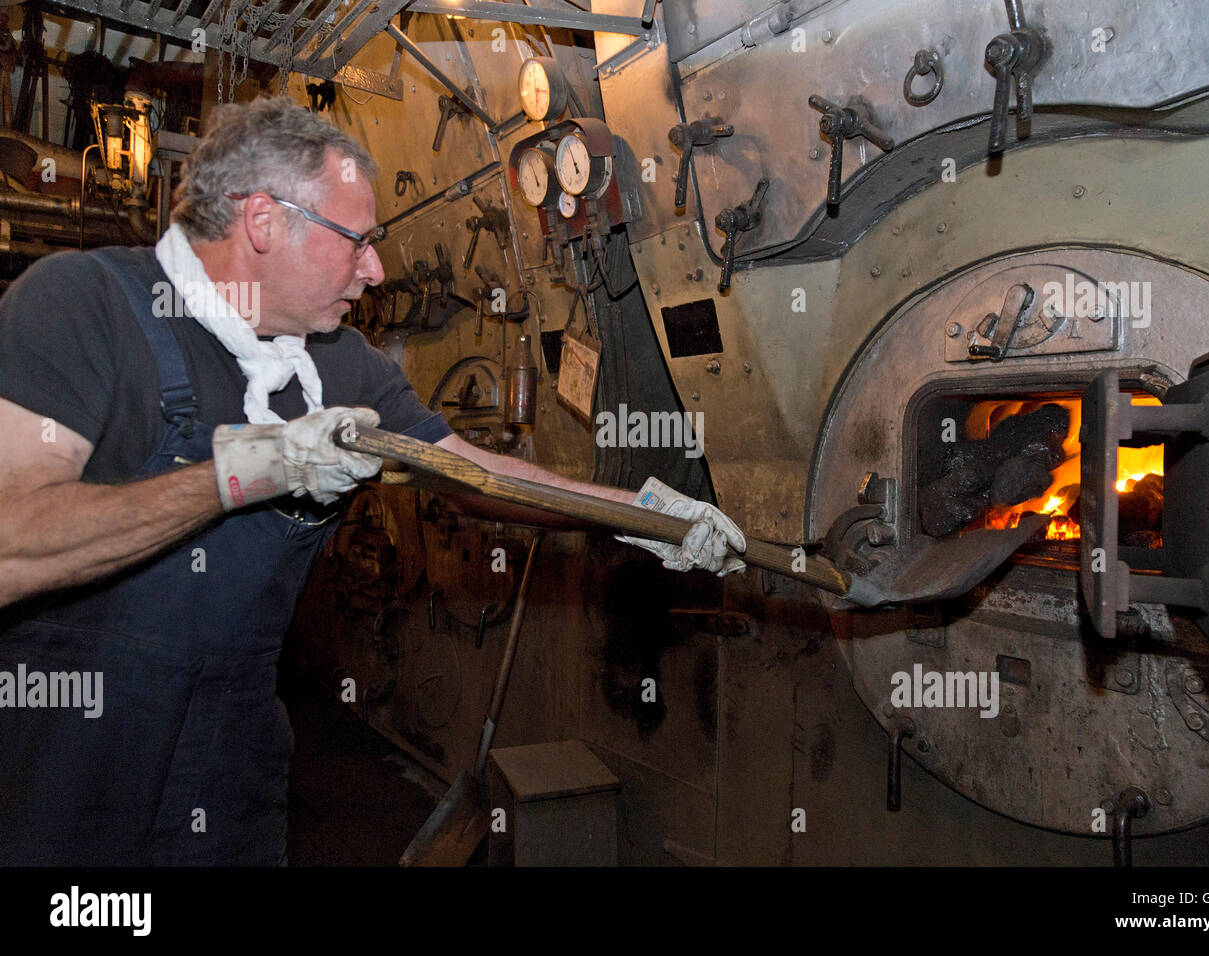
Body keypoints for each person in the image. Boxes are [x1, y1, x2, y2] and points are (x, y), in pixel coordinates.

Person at [0, 96, 744, 866]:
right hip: (67, 767)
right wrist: (248, 470)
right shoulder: (83, 307)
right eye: (357, 241)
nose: (376, 268)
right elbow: (10, 545)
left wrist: (650, 515)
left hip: (228, 770)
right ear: (263, 221)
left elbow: (472, 472)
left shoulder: (338, 363)